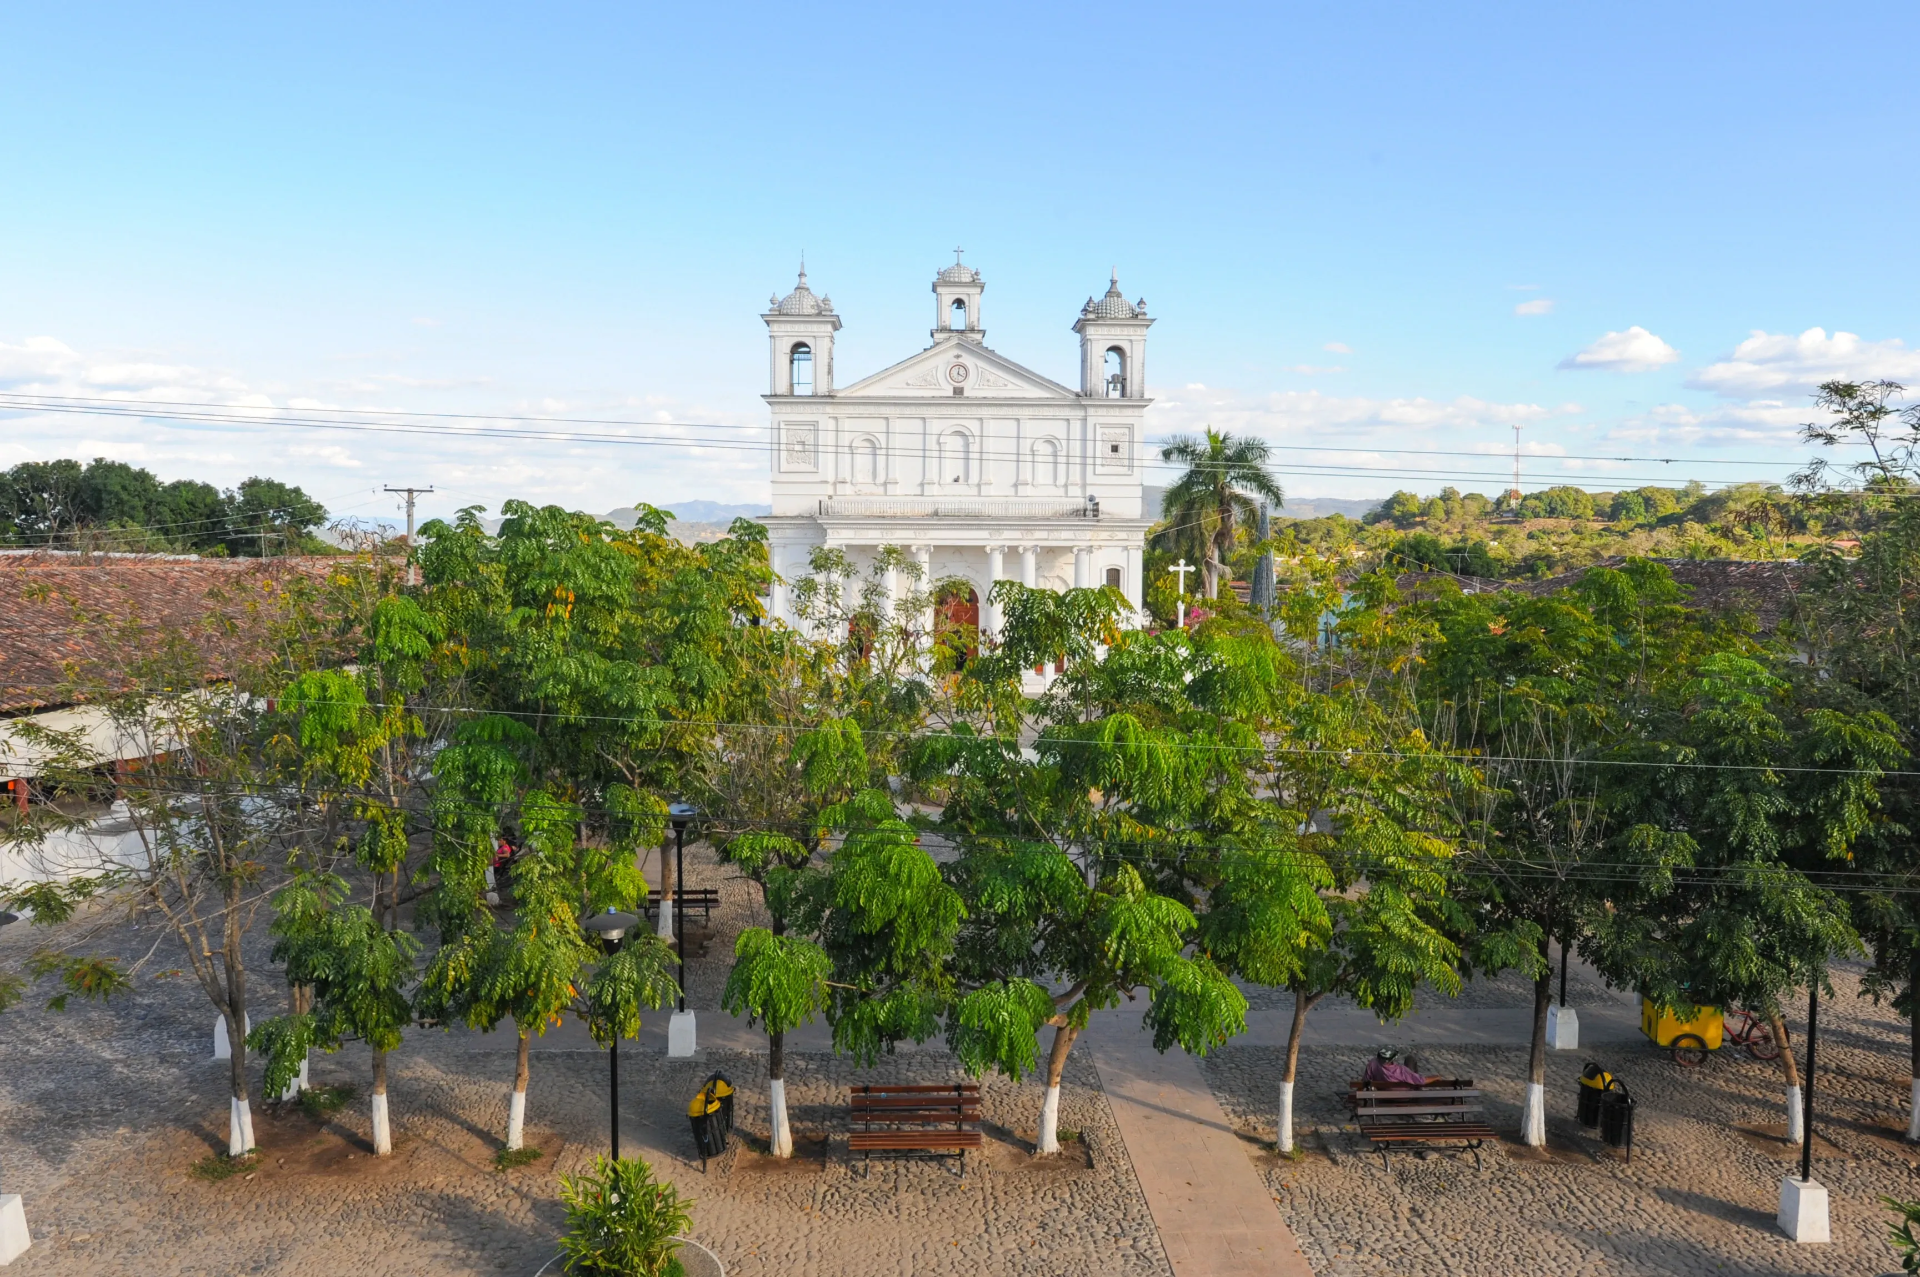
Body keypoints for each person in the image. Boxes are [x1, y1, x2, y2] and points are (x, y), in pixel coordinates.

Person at [1362, 1048, 1429, 1088]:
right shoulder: (1401, 1070)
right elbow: (1421, 1080)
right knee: (1410, 1059)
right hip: (1404, 1098)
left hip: (1383, 1096)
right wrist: (1437, 1077)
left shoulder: (1373, 1064)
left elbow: (1365, 1081)